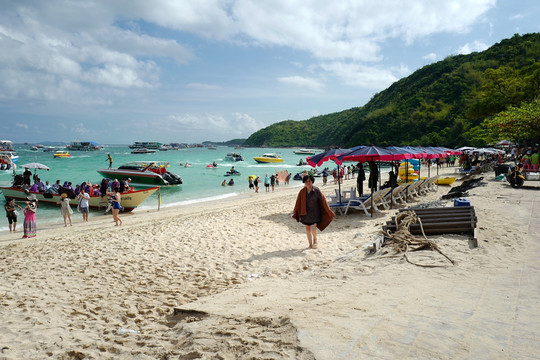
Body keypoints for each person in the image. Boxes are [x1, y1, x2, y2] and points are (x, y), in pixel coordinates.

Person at [292, 174, 335, 249]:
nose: (308, 183)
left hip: (315, 213)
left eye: (309, 181)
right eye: (306, 181)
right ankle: (310, 244)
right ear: (304, 182)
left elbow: (323, 201)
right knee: (308, 229)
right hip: (305, 214)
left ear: (312, 182)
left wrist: (328, 210)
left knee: (313, 228)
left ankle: (315, 239)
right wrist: (295, 213)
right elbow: (298, 203)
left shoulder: (316, 190)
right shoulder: (302, 192)